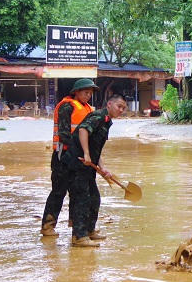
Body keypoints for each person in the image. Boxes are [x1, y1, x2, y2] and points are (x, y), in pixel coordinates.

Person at [62, 94, 127, 247]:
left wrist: (103, 168)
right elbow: (83, 130)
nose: (121, 110)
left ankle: (89, 230)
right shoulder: (98, 116)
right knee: (82, 199)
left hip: (87, 165)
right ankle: (79, 236)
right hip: (77, 163)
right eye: (119, 106)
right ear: (109, 104)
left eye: (124, 108)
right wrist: (85, 153)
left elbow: (95, 149)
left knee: (94, 198)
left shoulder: (106, 121)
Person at [41, 78, 98, 237]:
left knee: (79, 192)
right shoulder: (66, 107)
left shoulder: (88, 109)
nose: (88, 95)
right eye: (86, 92)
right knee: (59, 191)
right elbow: (64, 134)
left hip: (79, 156)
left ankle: (77, 227)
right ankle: (48, 226)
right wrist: (79, 152)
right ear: (76, 92)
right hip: (63, 156)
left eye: (90, 93)